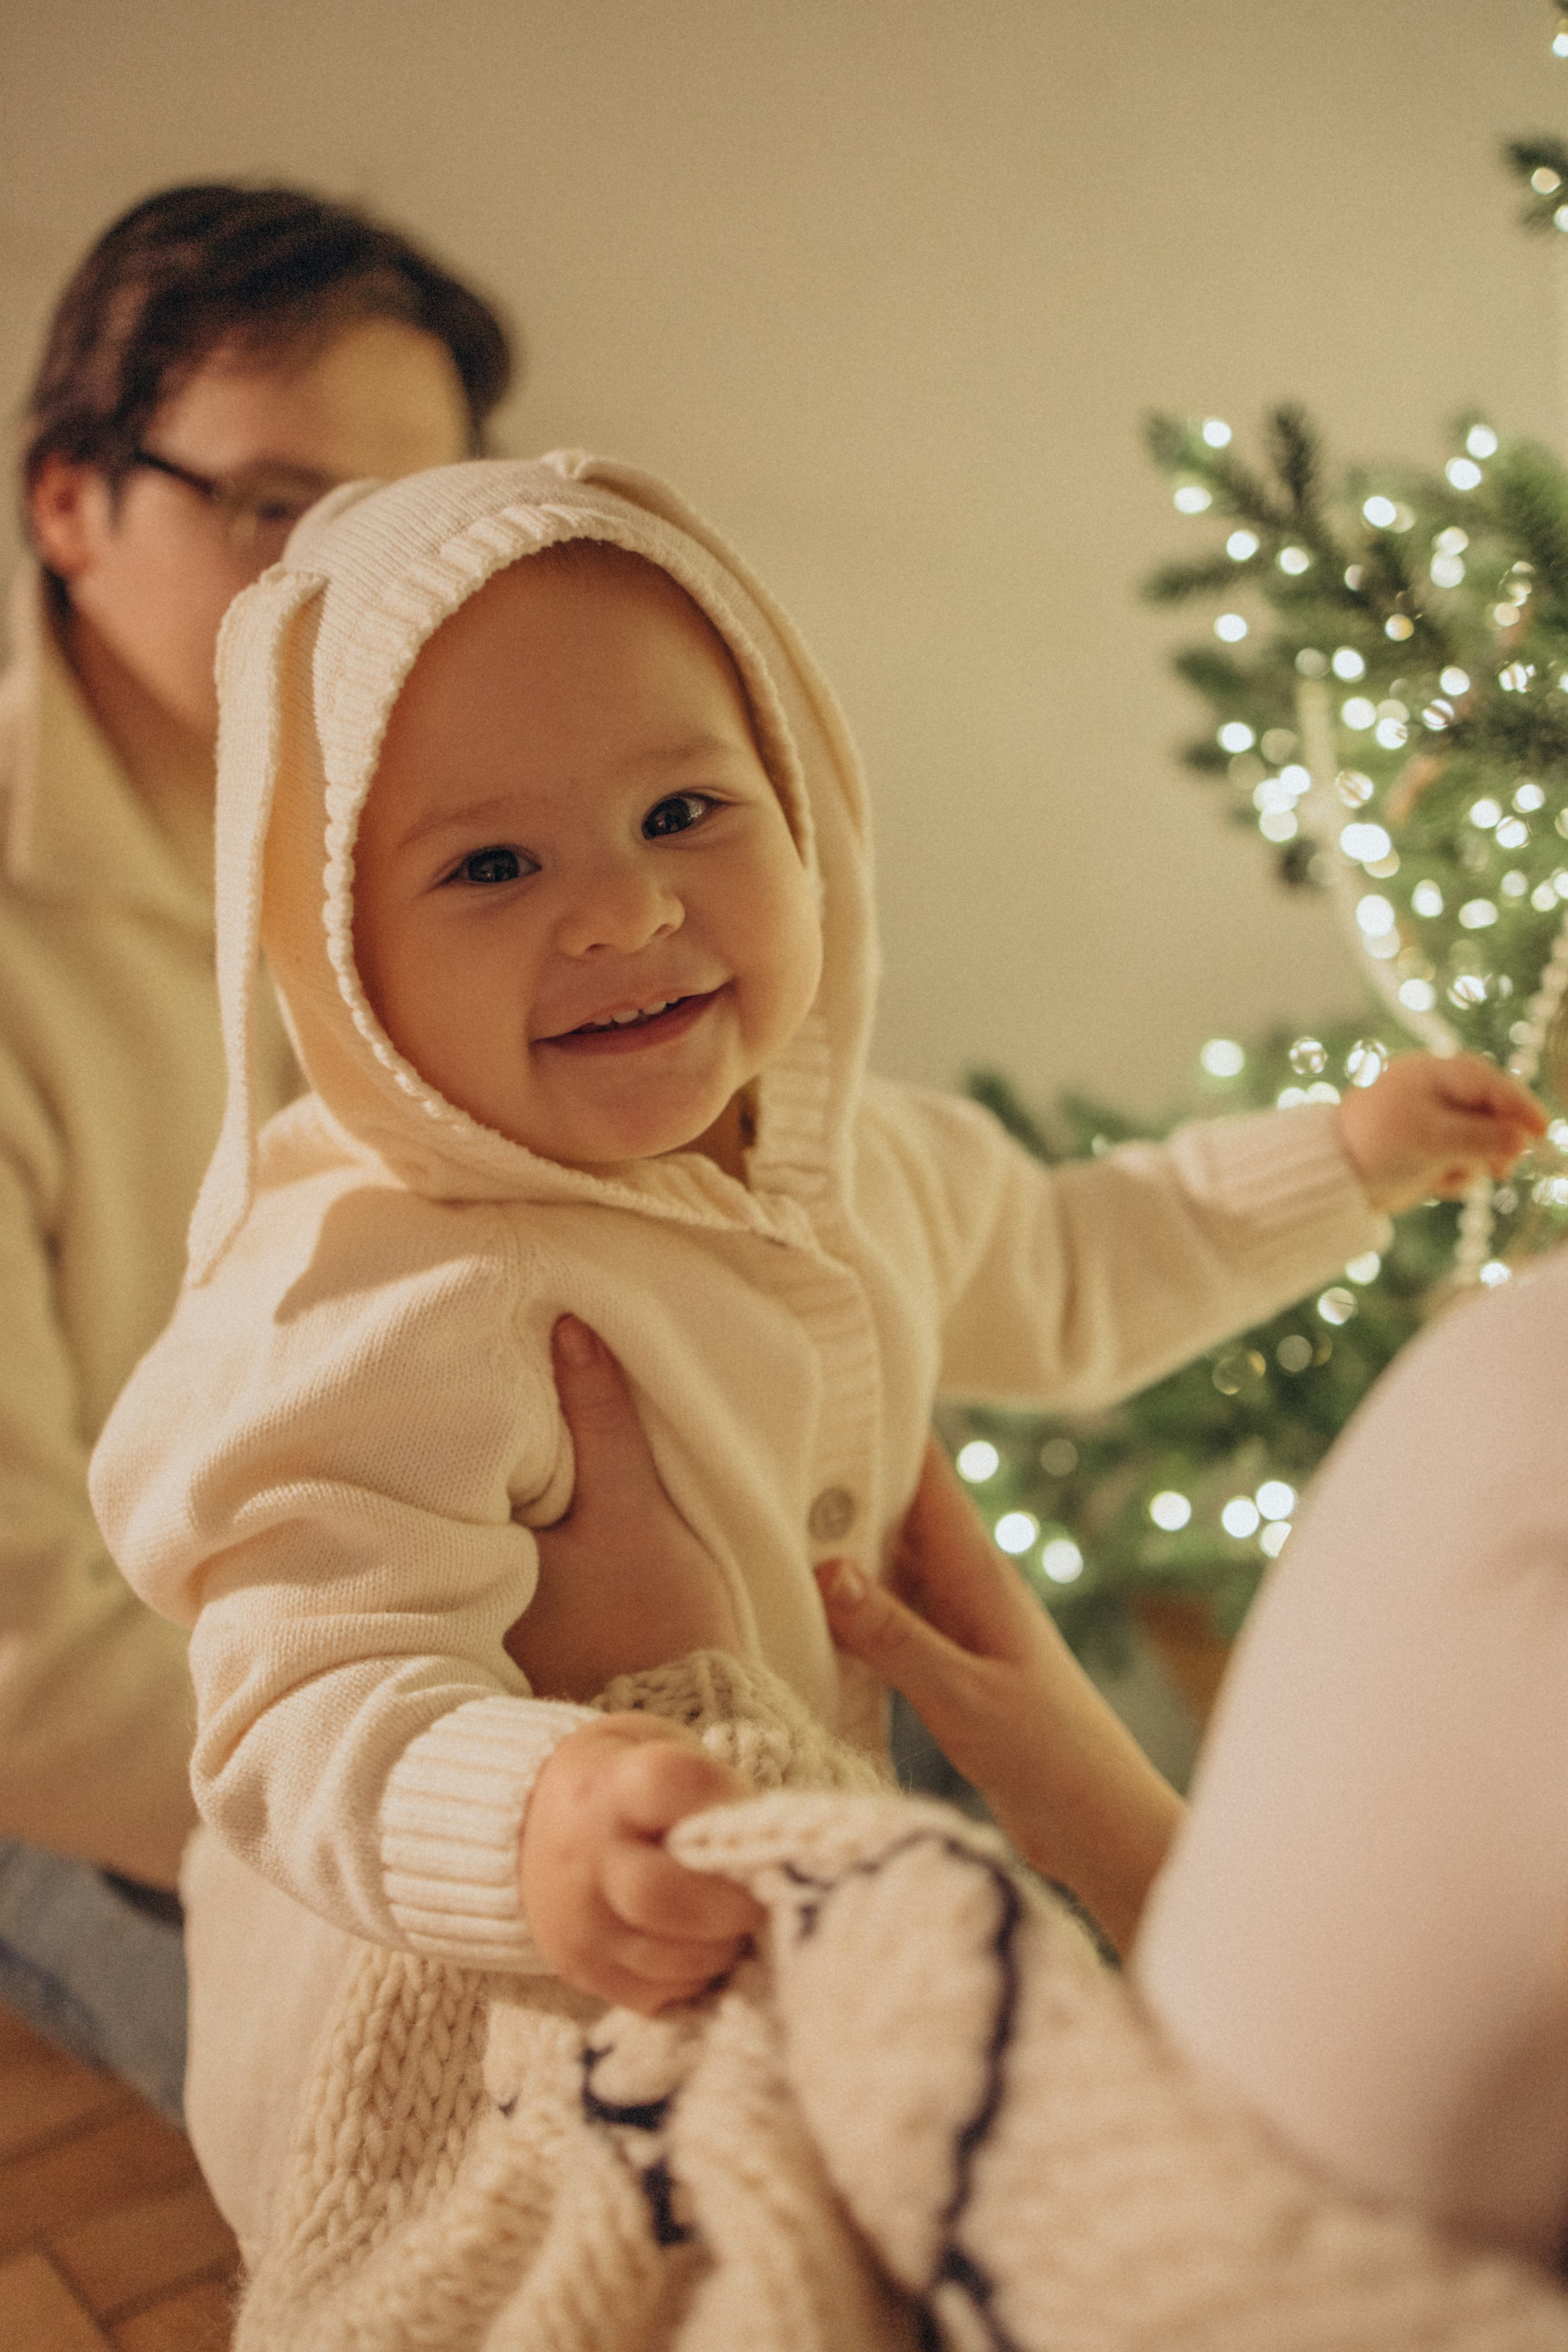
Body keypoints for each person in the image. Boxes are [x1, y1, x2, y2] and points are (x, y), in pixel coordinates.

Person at [88, 448, 1542, 2205]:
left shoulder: (846, 1155)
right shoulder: (374, 1295)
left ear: (801, 807)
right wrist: (529, 1816)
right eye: (491, 863)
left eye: (683, 813)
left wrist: (1345, 1159)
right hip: (456, 2031)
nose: (625, 911)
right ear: (337, 956)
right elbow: (304, 1699)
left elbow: (1077, 1264)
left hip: (763, 1879)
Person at [1, 181, 511, 2114]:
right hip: (120, 1757)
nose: (351, 593)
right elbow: (25, 1667)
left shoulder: (450, 820)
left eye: (407, 525)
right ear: (72, 503)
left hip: (454, 1634)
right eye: (276, 510)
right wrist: (472, 1797)